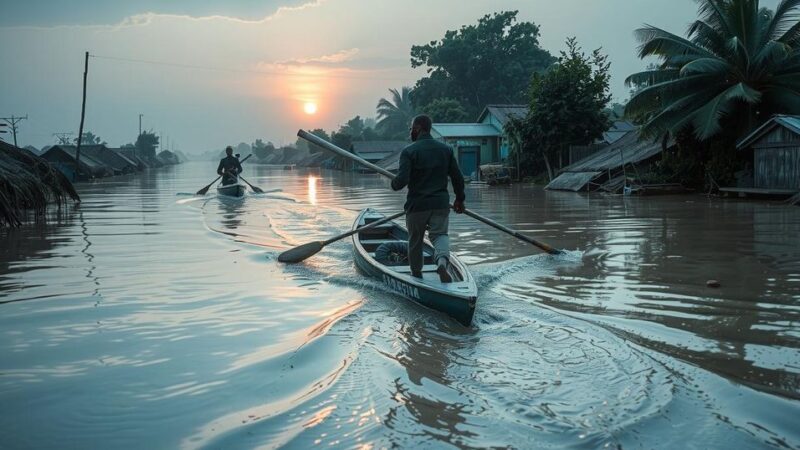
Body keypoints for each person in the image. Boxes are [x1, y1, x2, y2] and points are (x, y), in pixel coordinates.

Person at [391, 114, 466, 283]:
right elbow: (457, 178)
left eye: (411, 129)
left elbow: (401, 181)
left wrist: (393, 183)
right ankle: (441, 262)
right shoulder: (446, 150)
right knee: (440, 236)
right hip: (440, 204)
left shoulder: (409, 151)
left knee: (415, 240)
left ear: (418, 128)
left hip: (417, 206)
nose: (410, 132)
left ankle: (417, 276)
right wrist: (459, 199)